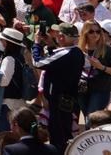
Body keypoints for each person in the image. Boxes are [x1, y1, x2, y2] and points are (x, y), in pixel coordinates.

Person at [33, 24, 85, 152]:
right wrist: (50, 45)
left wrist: (36, 44)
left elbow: (38, 63)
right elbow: (56, 64)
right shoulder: (77, 52)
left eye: (58, 34)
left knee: (58, 136)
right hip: (66, 99)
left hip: (59, 101)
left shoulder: (66, 53)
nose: (56, 36)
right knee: (64, 133)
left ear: (62, 37)